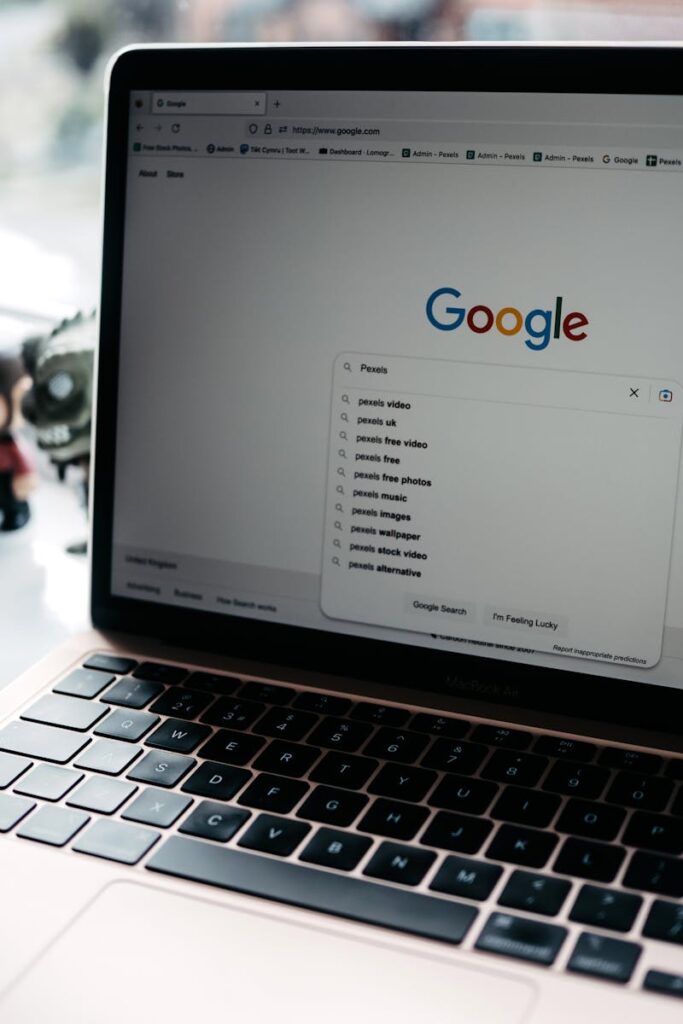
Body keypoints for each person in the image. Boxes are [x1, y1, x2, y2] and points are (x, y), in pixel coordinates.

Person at [0, 351, 37, 531]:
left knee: (10, 500)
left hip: (7, 479)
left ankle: (16, 513)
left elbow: (23, 464)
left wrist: (24, 476)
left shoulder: (12, 443)